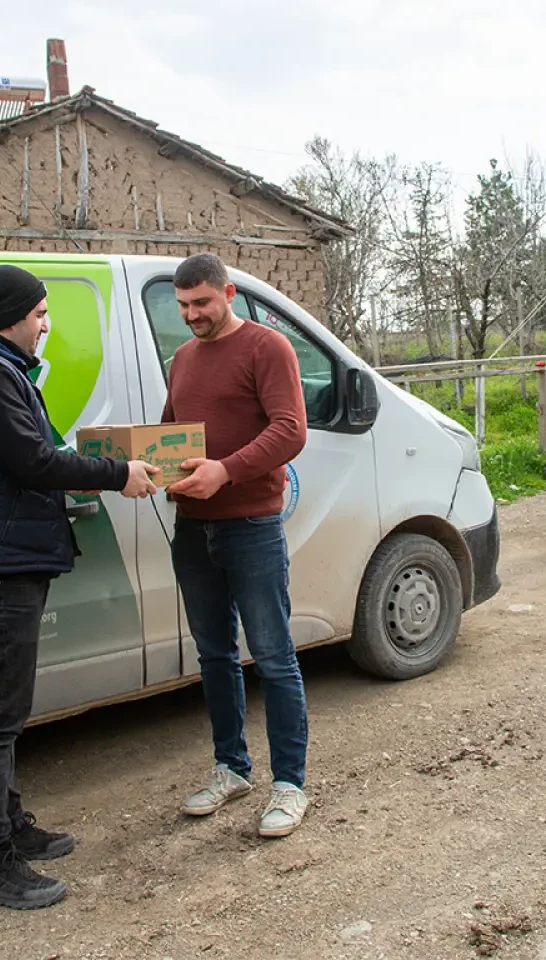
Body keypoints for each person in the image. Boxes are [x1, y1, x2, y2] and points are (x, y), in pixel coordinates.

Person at [0, 264, 159, 910]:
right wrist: (117, 473)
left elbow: (30, 455)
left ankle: (10, 826)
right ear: (12, 317)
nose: (46, 325)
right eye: (40, 314)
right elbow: (32, 461)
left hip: (0, 561)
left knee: (4, 709)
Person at [162, 252, 310, 838]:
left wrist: (224, 470)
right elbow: (171, 434)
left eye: (201, 303)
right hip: (193, 528)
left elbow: (289, 430)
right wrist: (144, 471)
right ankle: (232, 768)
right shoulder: (182, 358)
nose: (192, 315)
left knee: (274, 657)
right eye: (182, 306)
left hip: (250, 527)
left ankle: (290, 784)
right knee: (215, 656)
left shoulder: (268, 348)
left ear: (227, 293)